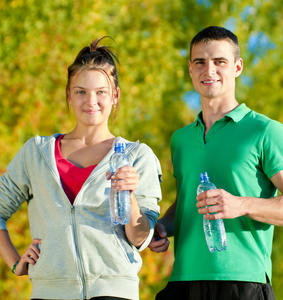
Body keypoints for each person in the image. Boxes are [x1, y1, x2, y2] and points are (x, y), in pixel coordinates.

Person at [0, 37, 162, 300]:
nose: (91, 101)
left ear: (115, 96)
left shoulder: (136, 156)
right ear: (69, 96)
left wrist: (129, 195)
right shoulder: (36, 153)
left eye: (101, 92)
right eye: (81, 91)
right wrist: (15, 263)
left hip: (114, 293)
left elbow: (141, 238)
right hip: (48, 292)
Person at [148, 26, 283, 300]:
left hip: (243, 282)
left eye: (219, 62)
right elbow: (186, 203)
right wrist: (162, 226)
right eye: (200, 62)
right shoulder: (180, 140)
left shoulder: (265, 131)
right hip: (183, 281)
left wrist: (241, 205)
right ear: (191, 69)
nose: (209, 70)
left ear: (238, 67)